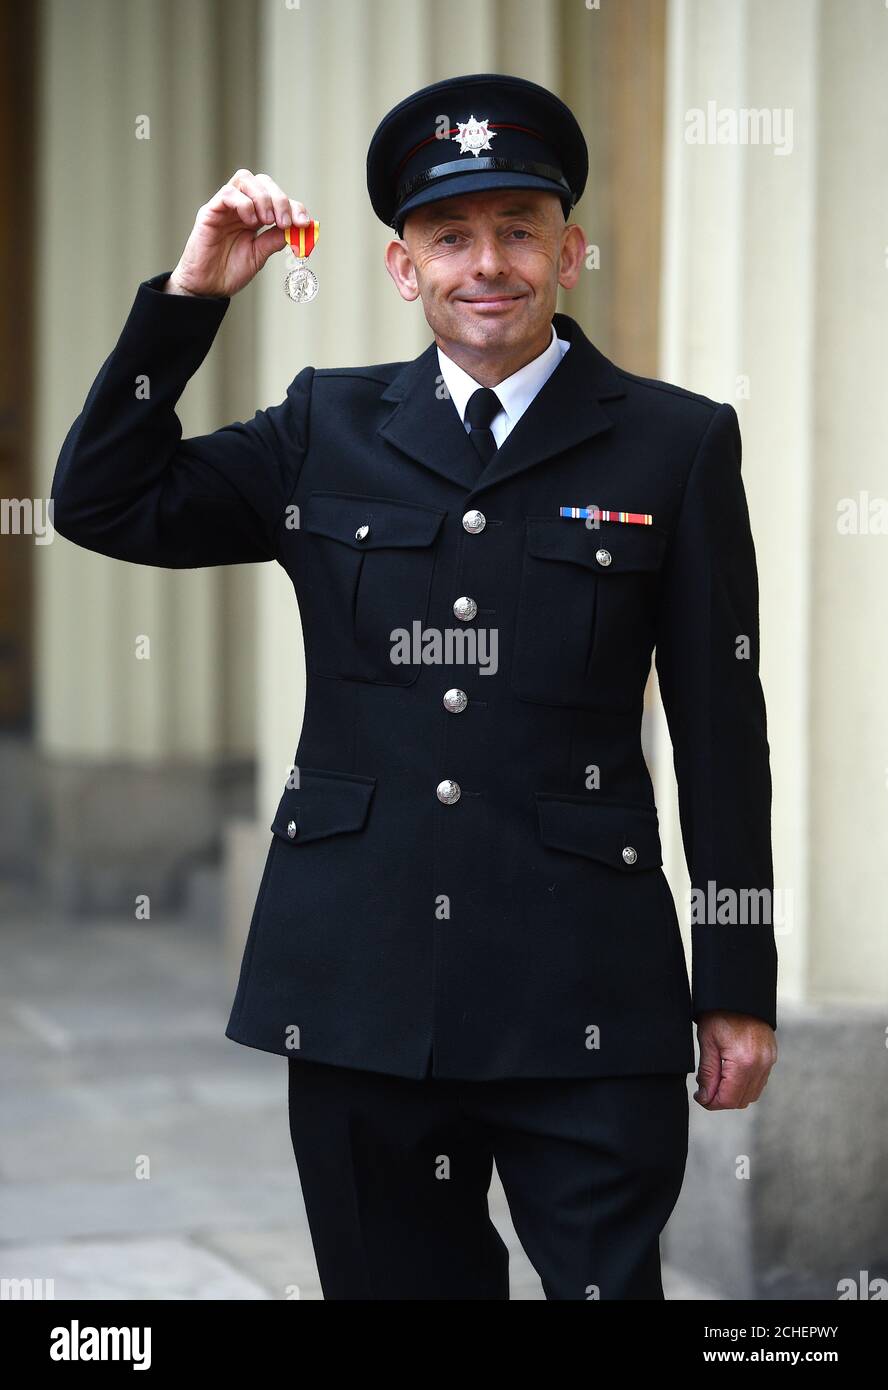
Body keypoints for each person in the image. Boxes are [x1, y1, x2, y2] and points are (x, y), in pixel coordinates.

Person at [50, 73, 778, 1300]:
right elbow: (101, 500)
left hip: (585, 990)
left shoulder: (675, 441)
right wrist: (187, 305)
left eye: (518, 230)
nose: (485, 263)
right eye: (451, 236)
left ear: (569, 250)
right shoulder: (321, 427)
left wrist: (739, 983)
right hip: (362, 986)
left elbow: (723, 730)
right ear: (404, 268)